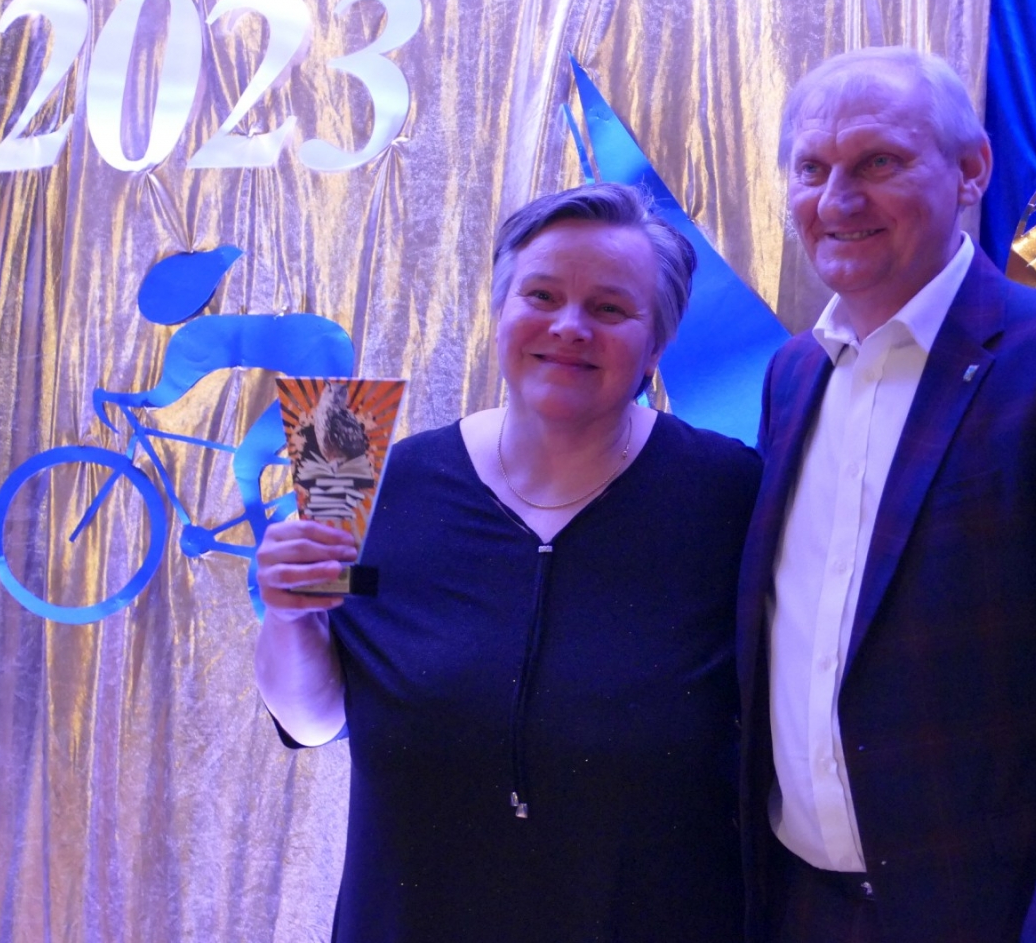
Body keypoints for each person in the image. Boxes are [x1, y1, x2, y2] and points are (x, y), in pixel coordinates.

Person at [738, 47, 1036, 942]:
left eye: (878, 162)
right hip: (806, 910)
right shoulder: (792, 376)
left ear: (971, 170)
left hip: (998, 915)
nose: (837, 200)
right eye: (812, 168)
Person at [254, 183, 759, 942]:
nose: (568, 327)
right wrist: (290, 614)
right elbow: (313, 721)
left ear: (657, 345)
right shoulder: (358, 470)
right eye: (541, 295)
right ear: (499, 311)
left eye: (609, 308)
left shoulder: (731, 495)